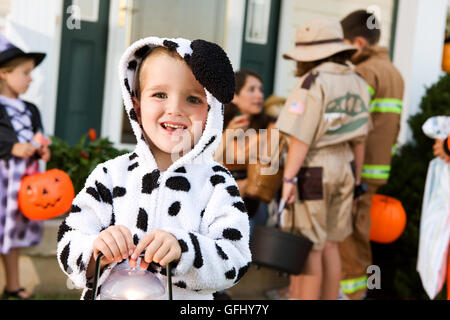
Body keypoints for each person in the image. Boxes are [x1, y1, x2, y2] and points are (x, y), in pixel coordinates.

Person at [56, 37, 252, 300]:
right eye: (160, 94)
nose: (175, 109)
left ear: (212, 112)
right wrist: (95, 249)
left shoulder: (216, 182)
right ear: (136, 103)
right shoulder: (111, 175)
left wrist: (185, 249)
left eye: (193, 99)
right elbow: (69, 241)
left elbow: (235, 259)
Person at [277, 17, 371, 300]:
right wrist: (356, 181)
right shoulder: (358, 80)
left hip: (313, 169)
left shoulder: (313, 82)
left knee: (310, 247)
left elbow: (300, 137)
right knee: (331, 245)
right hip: (345, 167)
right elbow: (360, 138)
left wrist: (289, 178)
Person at [338, 10, 405, 300]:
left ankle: (350, 293)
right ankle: (360, 290)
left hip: (357, 168)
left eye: (344, 45)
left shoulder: (365, 72)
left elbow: (353, 124)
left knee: (349, 235)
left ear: (359, 44)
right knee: (360, 231)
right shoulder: (392, 72)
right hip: (377, 168)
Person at [0, 35, 49, 299]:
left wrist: (42, 148)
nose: (31, 78)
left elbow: (38, 136)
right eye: (25, 73)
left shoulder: (30, 109)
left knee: (11, 236)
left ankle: (12, 286)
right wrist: (11, 148)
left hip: (22, 182)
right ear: (5, 74)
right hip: (1, 178)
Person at [215, 69, 270, 227]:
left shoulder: (267, 128)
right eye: (252, 90)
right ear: (235, 96)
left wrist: (245, 184)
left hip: (253, 203)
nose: (259, 95)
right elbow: (209, 163)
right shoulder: (218, 124)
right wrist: (228, 134)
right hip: (222, 201)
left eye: (260, 90)